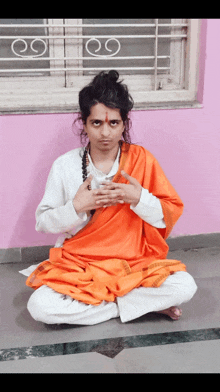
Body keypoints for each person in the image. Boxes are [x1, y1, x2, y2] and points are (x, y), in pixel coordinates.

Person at [22, 70, 197, 325]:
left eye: (113, 123)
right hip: (81, 264)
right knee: (40, 307)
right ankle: (134, 307)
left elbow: (166, 216)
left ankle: (105, 307)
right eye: (97, 123)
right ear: (83, 123)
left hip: (133, 262)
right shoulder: (65, 165)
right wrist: (76, 207)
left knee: (185, 285)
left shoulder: (142, 160)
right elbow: (43, 223)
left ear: (124, 123)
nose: (105, 133)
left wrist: (139, 198)